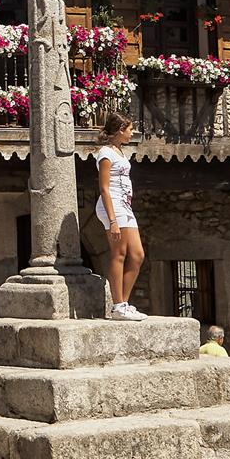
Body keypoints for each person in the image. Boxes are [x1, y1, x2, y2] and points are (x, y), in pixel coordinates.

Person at [94, 111, 145, 322]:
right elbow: (104, 188)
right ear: (119, 130)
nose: (132, 133)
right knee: (119, 254)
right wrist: (113, 221)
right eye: (130, 129)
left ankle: (123, 303)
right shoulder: (106, 153)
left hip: (125, 206)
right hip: (112, 206)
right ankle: (118, 306)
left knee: (137, 255)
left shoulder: (120, 152)